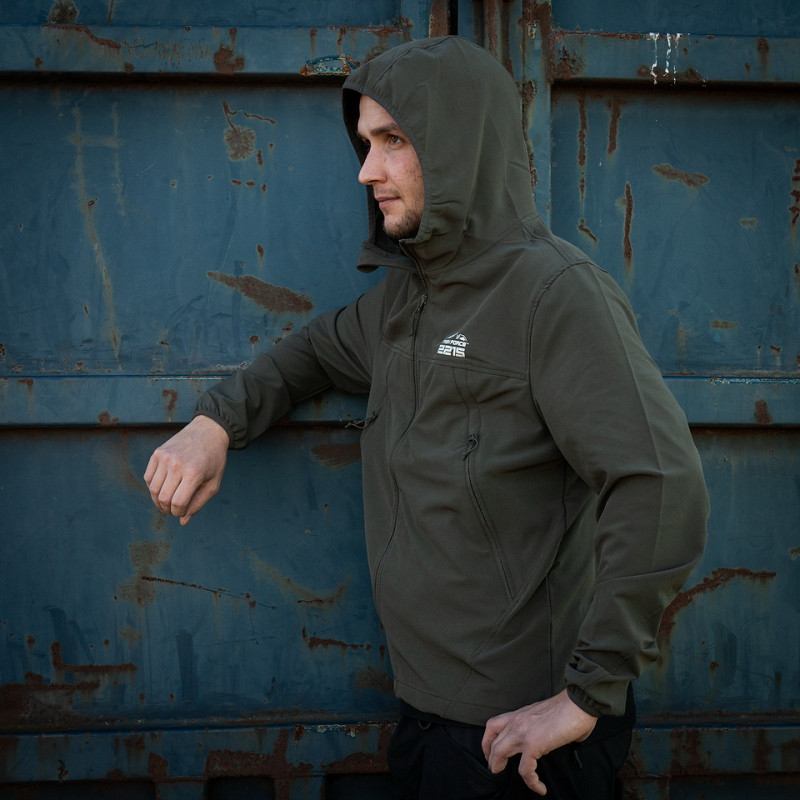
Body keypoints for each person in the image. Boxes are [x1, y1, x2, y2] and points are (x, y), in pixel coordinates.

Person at [144, 36, 709, 799]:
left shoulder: (553, 294)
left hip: (519, 743)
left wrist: (586, 697)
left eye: (393, 141)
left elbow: (661, 484)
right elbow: (312, 353)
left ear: (458, 146)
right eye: (366, 143)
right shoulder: (408, 299)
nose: (366, 170)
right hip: (426, 717)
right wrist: (214, 424)